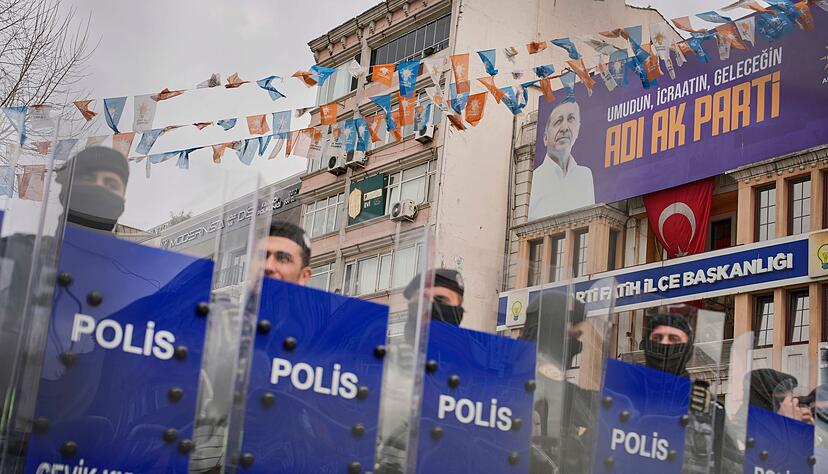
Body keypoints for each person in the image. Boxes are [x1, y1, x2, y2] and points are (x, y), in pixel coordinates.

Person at [0, 146, 130, 471]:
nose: (99, 188)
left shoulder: (130, 285)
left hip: (79, 451)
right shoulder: (16, 253)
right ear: (65, 188)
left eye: (111, 183)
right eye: (89, 178)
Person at [642, 313, 740, 474]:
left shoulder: (710, 409)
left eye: (673, 339)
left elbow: (732, 467)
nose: (665, 344)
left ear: (687, 349)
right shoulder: (624, 396)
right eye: (657, 338)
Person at [527, 97, 595, 221]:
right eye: (558, 121)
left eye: (571, 119)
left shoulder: (585, 175)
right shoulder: (535, 179)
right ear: (545, 138)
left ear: (578, 129)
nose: (564, 128)